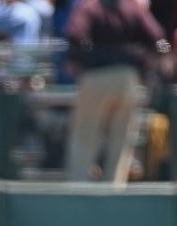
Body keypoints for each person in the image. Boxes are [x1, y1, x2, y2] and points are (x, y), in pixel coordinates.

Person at [64, 0, 167, 184]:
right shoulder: (132, 7)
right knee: (121, 138)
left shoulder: (89, 7)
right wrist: (140, 59)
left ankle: (79, 185)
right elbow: (157, 38)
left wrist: (91, 53)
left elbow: (75, 35)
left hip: (95, 75)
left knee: (86, 134)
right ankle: (114, 187)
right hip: (127, 77)